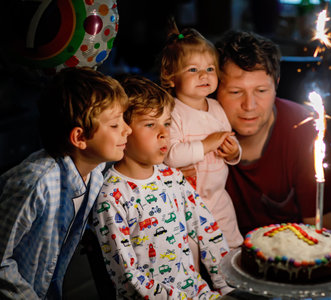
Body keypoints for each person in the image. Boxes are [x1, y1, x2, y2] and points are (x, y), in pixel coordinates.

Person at [92, 74, 232, 299]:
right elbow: (128, 278)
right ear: (124, 130)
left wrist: (227, 287)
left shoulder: (173, 177)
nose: (164, 133)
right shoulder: (112, 197)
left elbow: (209, 232)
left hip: (198, 293)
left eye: (167, 123)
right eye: (150, 124)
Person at [0, 67, 131, 299]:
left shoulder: (95, 173)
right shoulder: (36, 184)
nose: (127, 129)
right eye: (114, 125)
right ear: (80, 137)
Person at [215, 31, 331, 236]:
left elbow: (324, 229)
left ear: (276, 84)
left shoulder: (308, 131)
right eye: (235, 92)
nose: (249, 105)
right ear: (214, 89)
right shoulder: (193, 135)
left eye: (261, 91)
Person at [159, 21, 244, 254]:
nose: (204, 75)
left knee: (232, 248)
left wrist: (234, 151)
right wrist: (207, 144)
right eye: (193, 70)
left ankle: (232, 284)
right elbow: (170, 155)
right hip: (186, 202)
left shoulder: (216, 107)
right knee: (192, 254)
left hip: (218, 196)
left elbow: (229, 139)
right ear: (170, 76)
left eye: (210, 69)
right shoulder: (172, 111)